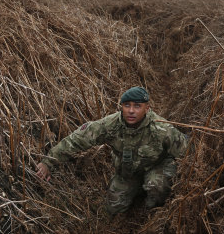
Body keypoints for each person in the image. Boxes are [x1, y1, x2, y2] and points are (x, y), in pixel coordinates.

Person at [36, 86, 188, 215]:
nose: (131, 111)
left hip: (156, 167)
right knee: (113, 208)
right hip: (128, 173)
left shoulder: (162, 129)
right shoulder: (110, 125)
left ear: (147, 108)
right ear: (121, 106)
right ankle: (139, 190)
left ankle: (154, 210)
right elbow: (77, 139)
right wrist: (48, 162)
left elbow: (186, 154)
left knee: (156, 185)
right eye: (127, 105)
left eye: (137, 106)